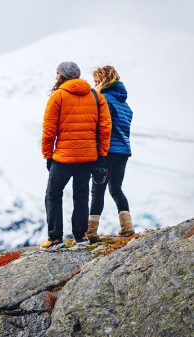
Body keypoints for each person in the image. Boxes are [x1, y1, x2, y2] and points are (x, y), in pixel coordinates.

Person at [41, 61, 112, 249]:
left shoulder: (58, 97)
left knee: (53, 195)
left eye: (57, 74)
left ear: (61, 76)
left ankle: (55, 239)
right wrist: (102, 155)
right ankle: (80, 237)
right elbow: (105, 129)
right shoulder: (96, 97)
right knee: (81, 196)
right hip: (88, 158)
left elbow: (49, 131)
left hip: (63, 159)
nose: (55, 77)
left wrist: (48, 156)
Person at [86, 66, 135, 243]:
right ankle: (127, 227)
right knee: (116, 189)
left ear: (101, 80)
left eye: (95, 81)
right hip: (123, 151)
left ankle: (91, 232)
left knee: (97, 190)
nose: (94, 84)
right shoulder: (125, 104)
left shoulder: (103, 99)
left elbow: (101, 127)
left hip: (107, 151)